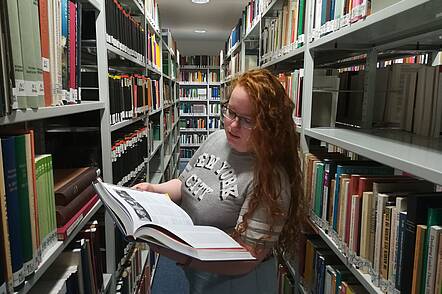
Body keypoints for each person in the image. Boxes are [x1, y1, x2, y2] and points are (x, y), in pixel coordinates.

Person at [133, 68, 306, 293]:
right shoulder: (217, 139)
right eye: (231, 112)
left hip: (237, 284)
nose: (233, 125)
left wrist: (183, 256)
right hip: (202, 274)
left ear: (269, 125)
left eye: (247, 120)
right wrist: (153, 189)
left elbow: (247, 257)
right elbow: (186, 183)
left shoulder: (270, 179)